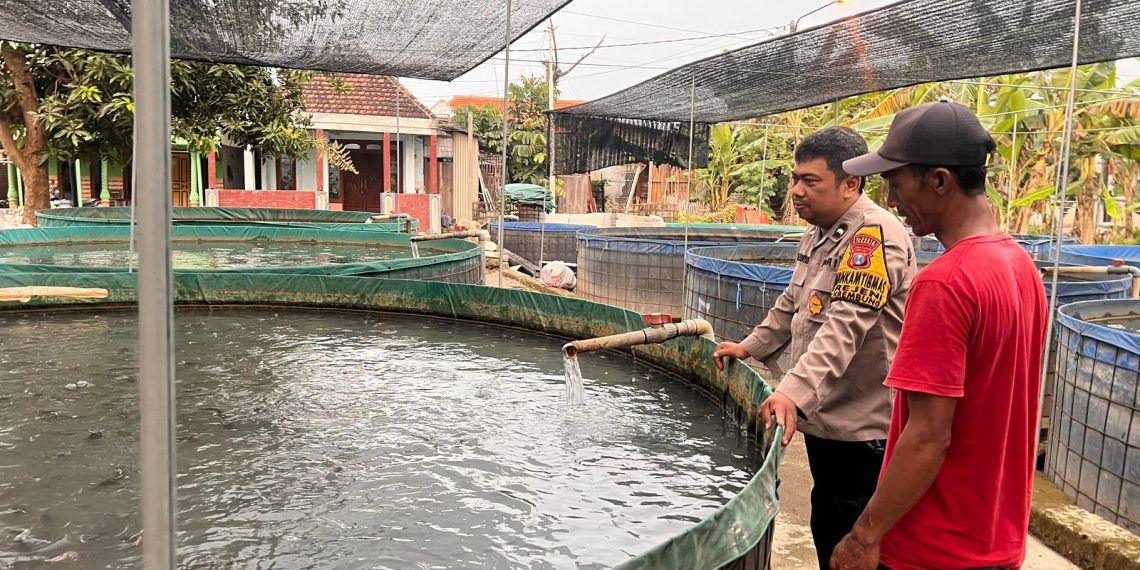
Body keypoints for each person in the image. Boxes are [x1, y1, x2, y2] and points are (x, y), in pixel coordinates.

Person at [830, 101, 1047, 570]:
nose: (890, 200)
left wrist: (864, 537)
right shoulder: (1021, 266)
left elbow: (928, 436)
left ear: (940, 181)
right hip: (995, 541)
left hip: (933, 549)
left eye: (895, 183)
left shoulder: (945, 281)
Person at [712, 126, 917, 569]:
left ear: (851, 183)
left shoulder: (872, 237)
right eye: (794, 179)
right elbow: (792, 303)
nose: (797, 191)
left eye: (810, 181)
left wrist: (790, 391)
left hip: (863, 430)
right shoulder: (821, 231)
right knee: (828, 529)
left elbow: (844, 327)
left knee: (855, 541)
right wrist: (749, 347)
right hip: (828, 421)